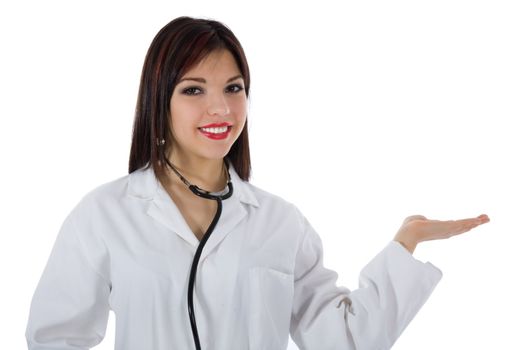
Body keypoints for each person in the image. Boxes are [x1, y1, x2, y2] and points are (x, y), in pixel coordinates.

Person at [25, 16, 490, 350]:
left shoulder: (280, 222)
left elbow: (344, 341)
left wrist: (405, 243)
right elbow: (54, 338)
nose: (221, 110)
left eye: (233, 88)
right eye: (193, 89)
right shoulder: (106, 214)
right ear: (158, 100)